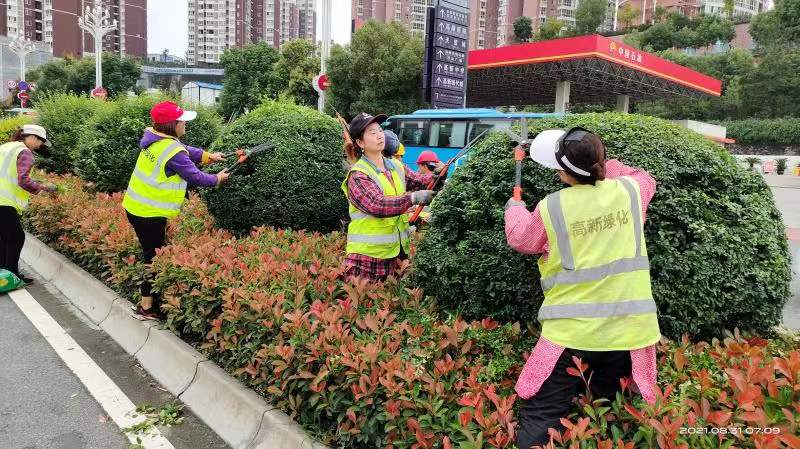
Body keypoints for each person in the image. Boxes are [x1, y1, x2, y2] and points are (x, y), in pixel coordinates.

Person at [505, 128, 661, 449]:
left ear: (562, 173)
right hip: (628, 333)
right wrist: (597, 160)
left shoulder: (552, 207)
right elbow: (643, 175)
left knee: (542, 416)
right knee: (610, 415)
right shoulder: (631, 190)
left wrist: (514, 209)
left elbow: (521, 238)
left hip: (571, 335)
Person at [122, 101, 230, 319]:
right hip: (149, 214)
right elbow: (195, 177)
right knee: (153, 258)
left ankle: (148, 301)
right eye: (182, 121)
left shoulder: (155, 139)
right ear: (173, 125)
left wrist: (208, 156)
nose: (185, 124)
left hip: (135, 207)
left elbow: (183, 150)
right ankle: (146, 307)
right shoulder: (171, 150)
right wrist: (217, 178)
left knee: (152, 252)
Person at [341, 112, 444, 282]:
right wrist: (412, 198)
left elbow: (420, 181)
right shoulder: (358, 174)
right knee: (367, 299)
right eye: (372, 133)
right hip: (368, 259)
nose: (379, 135)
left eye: (380, 130)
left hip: (397, 254)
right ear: (360, 142)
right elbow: (377, 204)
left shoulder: (395, 166)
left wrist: (438, 176)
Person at [0, 124, 59, 285]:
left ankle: (4, 275)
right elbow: (23, 180)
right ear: (32, 137)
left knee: (4, 238)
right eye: (40, 141)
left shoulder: (6, 147)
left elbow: (9, 173)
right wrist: (43, 188)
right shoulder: (24, 152)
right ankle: (12, 276)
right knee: (16, 238)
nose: (40, 145)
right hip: (4, 202)